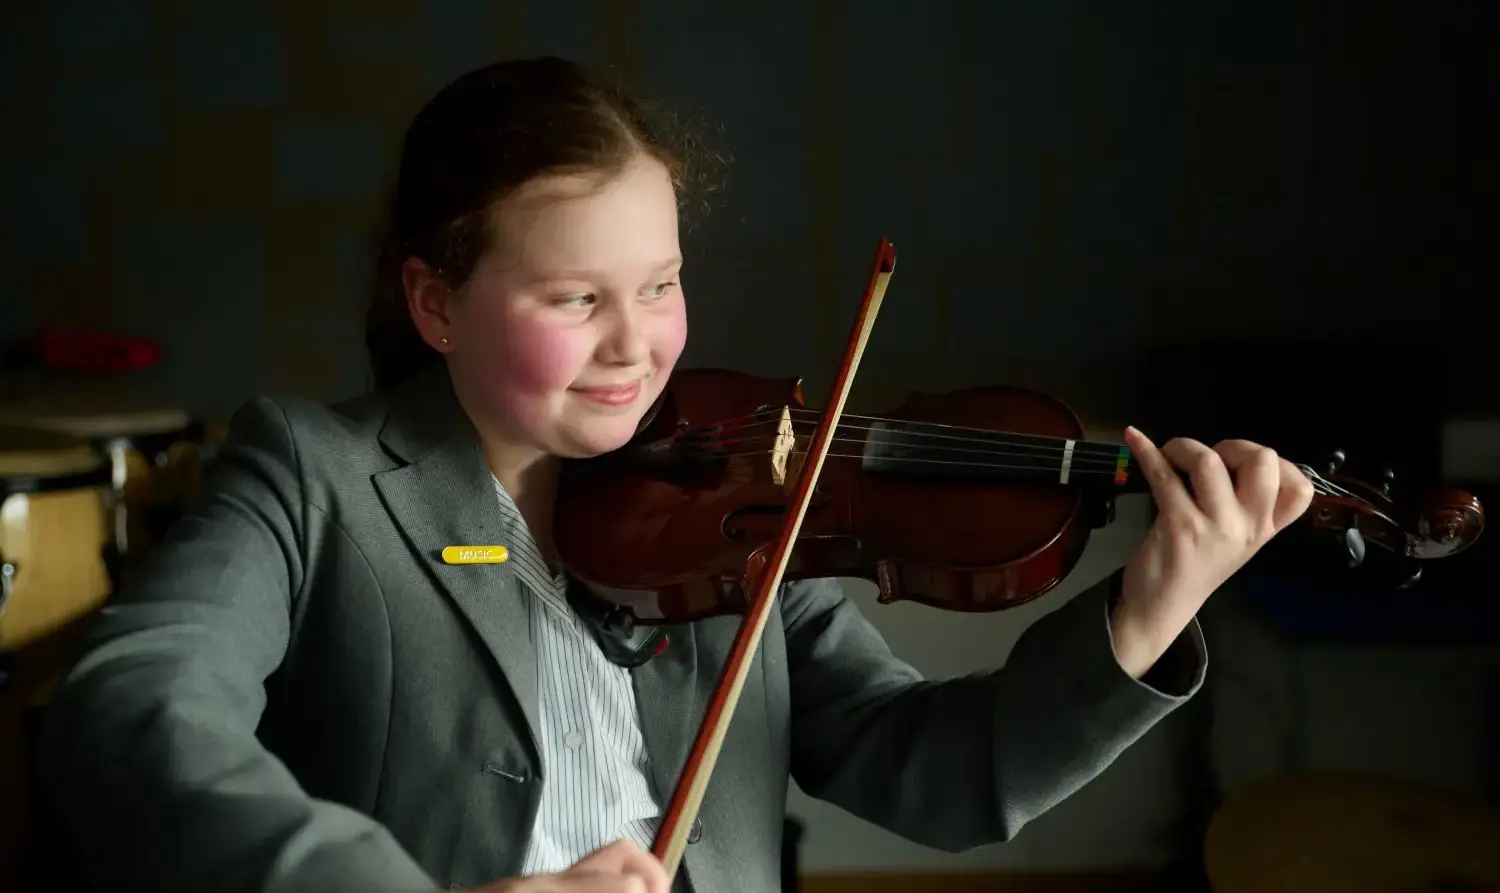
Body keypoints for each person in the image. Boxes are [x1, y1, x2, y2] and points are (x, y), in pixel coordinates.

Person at [37, 56, 1314, 893]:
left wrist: (1148, 608)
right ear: (435, 302)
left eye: (659, 285)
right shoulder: (312, 475)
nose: (635, 345)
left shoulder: (741, 499)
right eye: (574, 297)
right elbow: (136, 705)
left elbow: (938, 772)